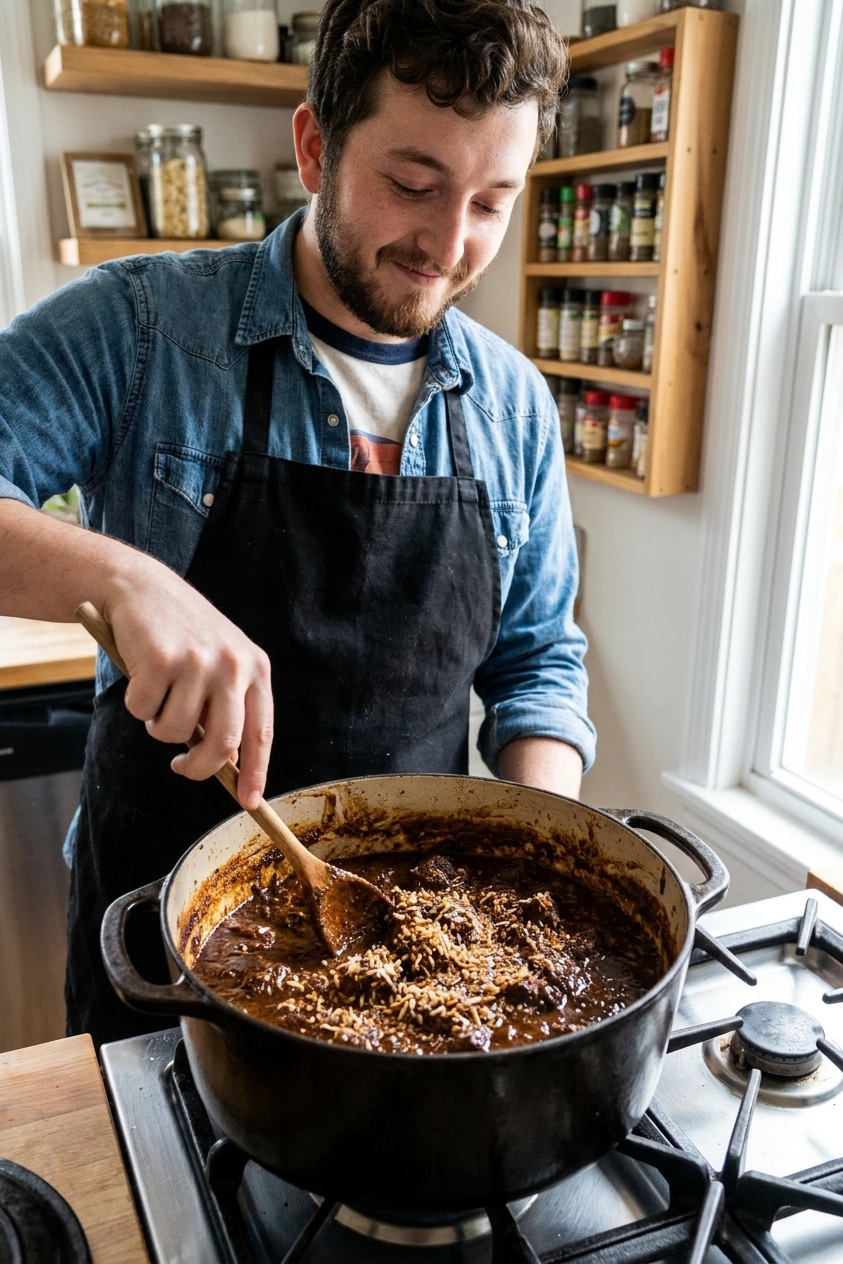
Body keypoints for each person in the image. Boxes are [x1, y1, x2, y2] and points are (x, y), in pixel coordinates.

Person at [0, 0, 595, 1047]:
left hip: (430, 955)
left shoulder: (513, 407)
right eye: (413, 186)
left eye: (492, 203)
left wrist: (537, 857)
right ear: (315, 143)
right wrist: (132, 581)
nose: (448, 247)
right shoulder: (141, 330)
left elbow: (538, 663)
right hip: (162, 940)